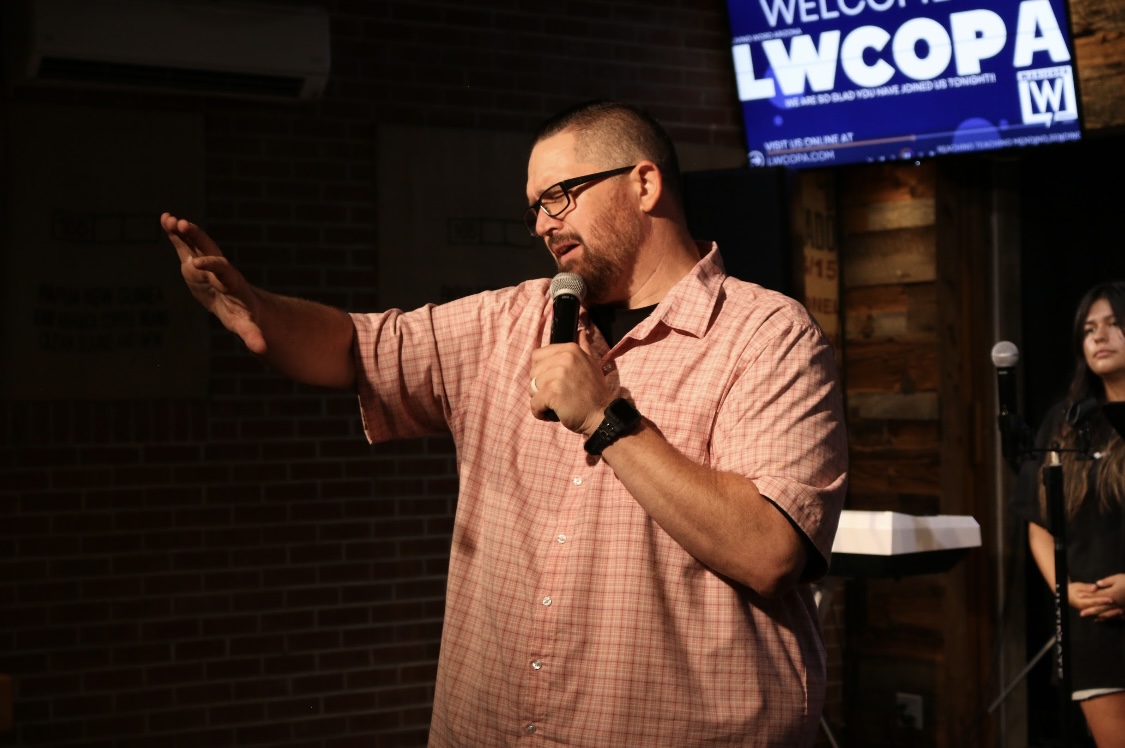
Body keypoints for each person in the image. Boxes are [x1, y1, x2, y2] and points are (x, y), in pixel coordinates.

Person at [162, 99, 848, 747]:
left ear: (644, 184)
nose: (544, 224)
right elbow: (356, 347)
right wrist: (258, 309)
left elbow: (769, 553)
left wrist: (605, 419)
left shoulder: (766, 336)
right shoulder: (509, 321)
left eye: (560, 195)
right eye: (534, 209)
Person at [1012, 281, 1125, 747]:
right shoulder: (1067, 421)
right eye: (1089, 329)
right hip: (1094, 621)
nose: (1100, 336)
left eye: (1114, 324)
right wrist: (1065, 589)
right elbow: (1040, 521)